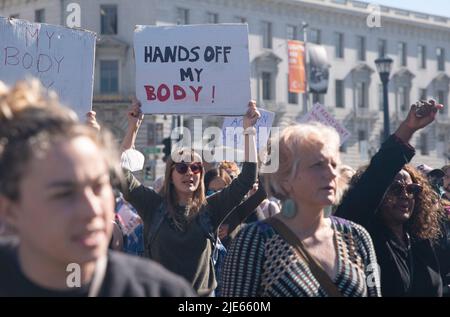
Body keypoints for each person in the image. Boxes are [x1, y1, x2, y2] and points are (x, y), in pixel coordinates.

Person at [0, 80, 194, 297]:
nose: (92, 209)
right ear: (10, 210)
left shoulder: (161, 291)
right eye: (64, 194)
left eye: (99, 186)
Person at [220, 122, 381, 297]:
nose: (332, 173)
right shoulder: (254, 240)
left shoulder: (356, 236)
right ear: (285, 177)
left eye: (334, 164)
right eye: (318, 165)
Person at [120, 99, 260, 296]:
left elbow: (247, 178)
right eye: (182, 167)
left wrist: (249, 130)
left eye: (196, 168)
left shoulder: (211, 208)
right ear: (170, 175)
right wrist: (133, 128)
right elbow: (121, 174)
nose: (189, 173)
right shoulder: (152, 205)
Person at [335, 100, 445, 297]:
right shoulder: (365, 234)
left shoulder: (421, 240)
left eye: (412, 189)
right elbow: (375, 178)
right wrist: (408, 129)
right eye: (395, 189)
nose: (405, 195)